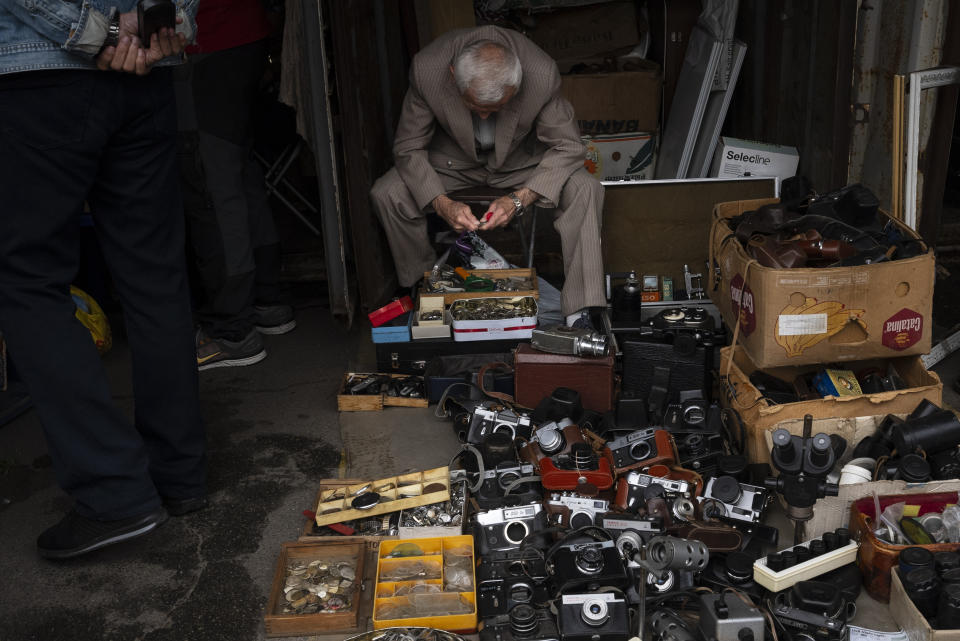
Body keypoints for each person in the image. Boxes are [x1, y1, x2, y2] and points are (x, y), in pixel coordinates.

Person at [0, 0, 208, 558]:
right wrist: (168, 20)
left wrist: (101, 31)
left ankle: (115, 494)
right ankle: (180, 474)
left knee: (27, 281)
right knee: (154, 274)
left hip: (40, 71)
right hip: (143, 71)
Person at [370, 25, 605, 326]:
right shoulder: (428, 69)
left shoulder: (541, 73)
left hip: (520, 164)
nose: (484, 117)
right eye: (474, 106)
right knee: (388, 193)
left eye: (496, 109)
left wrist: (521, 198)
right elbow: (408, 147)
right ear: (453, 73)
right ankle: (428, 290)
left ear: (516, 86)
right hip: (451, 163)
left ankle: (580, 312)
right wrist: (441, 203)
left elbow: (569, 146)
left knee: (586, 188)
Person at [177, 0, 296, 371]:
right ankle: (266, 300)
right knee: (237, 168)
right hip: (244, 32)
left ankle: (232, 329)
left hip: (204, 39)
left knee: (212, 180)